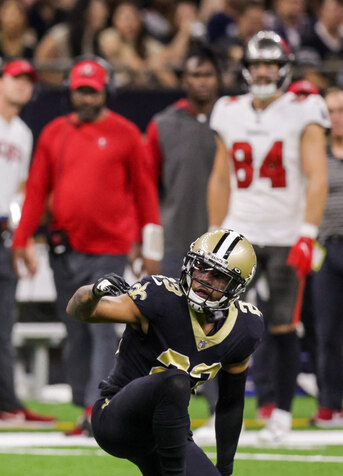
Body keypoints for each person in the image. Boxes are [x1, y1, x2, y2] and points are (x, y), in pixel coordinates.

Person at [56, 229, 263, 476]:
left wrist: (224, 474)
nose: (204, 279)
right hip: (118, 419)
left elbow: (231, 403)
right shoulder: (160, 297)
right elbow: (77, 309)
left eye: (218, 277)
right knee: (175, 381)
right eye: (201, 268)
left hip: (168, 434)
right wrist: (94, 291)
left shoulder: (245, 328)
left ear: (236, 287)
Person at [11, 57, 162, 435]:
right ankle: (84, 406)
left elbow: (146, 194)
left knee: (100, 330)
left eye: (92, 90)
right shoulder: (53, 133)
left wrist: (151, 247)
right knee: (74, 327)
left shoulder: (127, 133)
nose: (85, 97)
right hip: (65, 248)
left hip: (109, 248)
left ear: (105, 91)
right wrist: (21, 239)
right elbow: (36, 191)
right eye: (80, 90)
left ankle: (100, 408)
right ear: (70, 92)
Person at [207, 30, 328, 444]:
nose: (262, 72)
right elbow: (220, 176)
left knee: (282, 326)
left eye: (270, 65)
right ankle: (219, 410)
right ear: (245, 69)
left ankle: (280, 412)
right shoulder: (228, 109)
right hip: (240, 233)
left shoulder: (304, 107)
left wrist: (308, 233)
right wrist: (215, 231)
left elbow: (317, 176)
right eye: (256, 64)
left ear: (284, 69)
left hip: (285, 233)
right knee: (216, 322)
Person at [144, 46, 223, 441]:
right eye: (195, 74)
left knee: (227, 330)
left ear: (218, 78)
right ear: (184, 79)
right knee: (176, 332)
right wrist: (150, 246)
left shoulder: (233, 120)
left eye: (208, 74)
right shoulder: (162, 124)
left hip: (227, 248)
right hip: (178, 243)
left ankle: (222, 410)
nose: (202, 81)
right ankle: (174, 408)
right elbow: (147, 189)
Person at [0, 60, 56, 429]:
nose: (22, 85)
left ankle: (8, 405)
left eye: (28, 80)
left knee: (2, 325)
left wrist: (21, 239)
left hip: (3, 236)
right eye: (16, 78)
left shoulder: (23, 132)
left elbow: (20, 189)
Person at [309, 87, 343, 427]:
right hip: (326, 246)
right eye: (330, 111)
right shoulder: (316, 154)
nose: (336, 117)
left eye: (341, 110)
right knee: (327, 330)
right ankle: (329, 402)